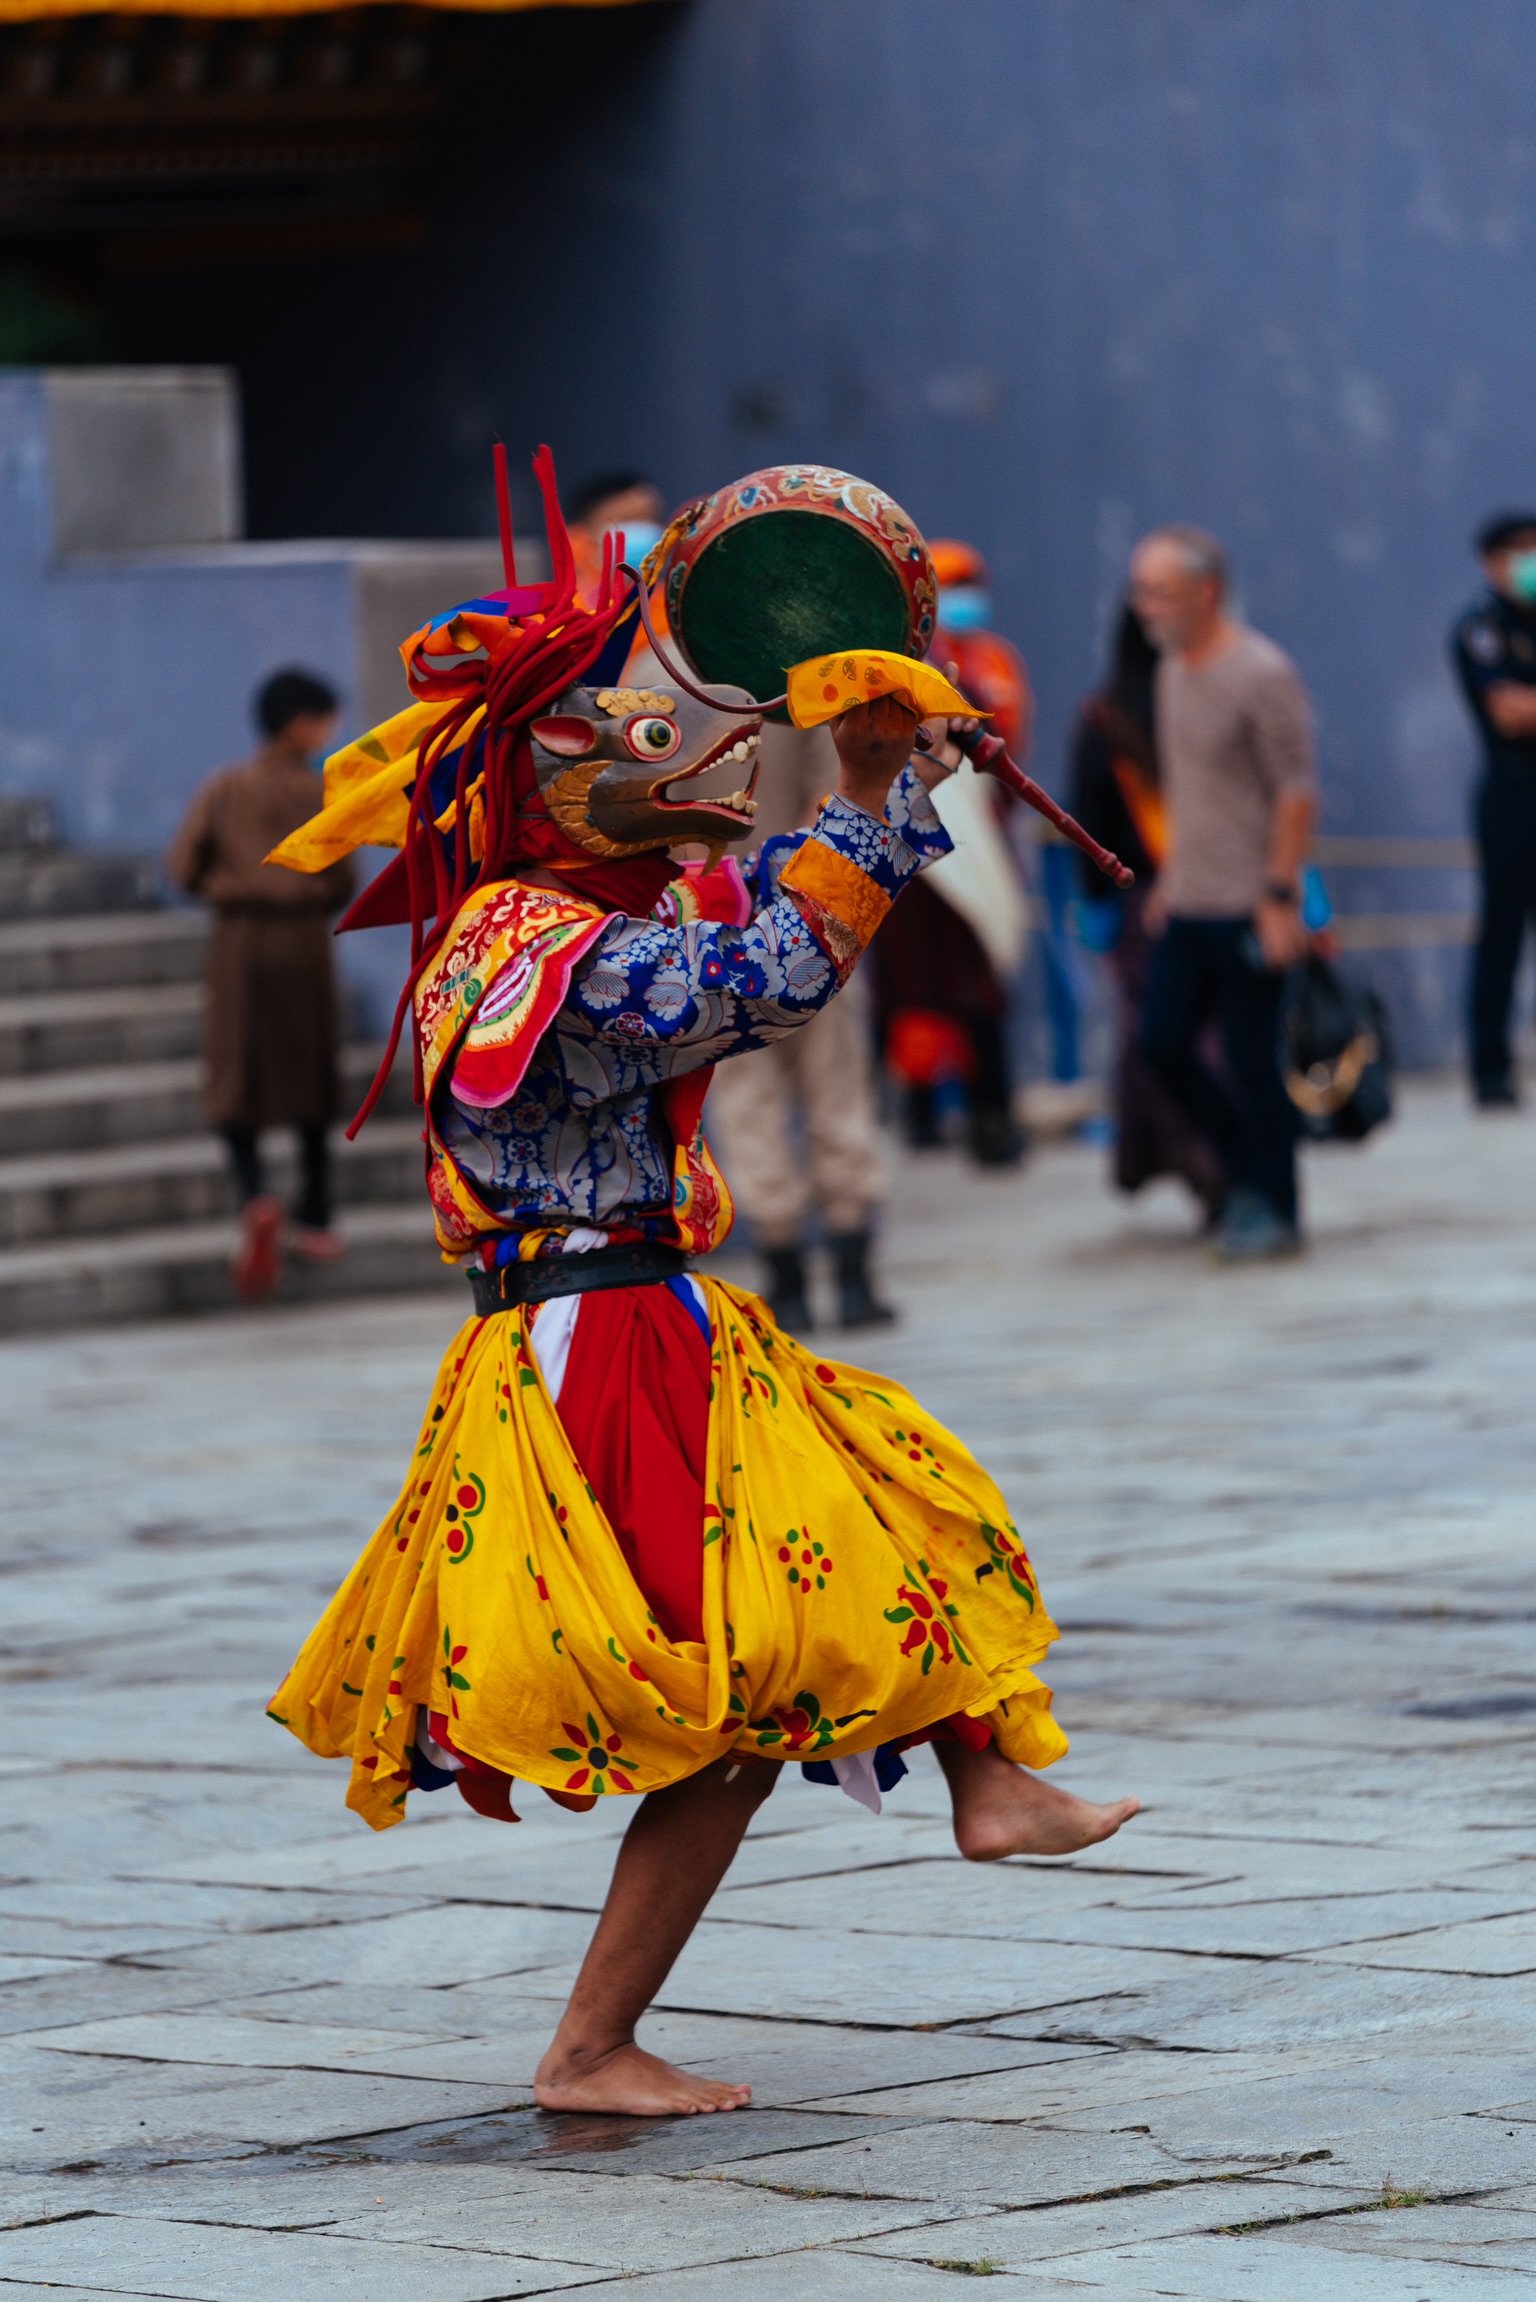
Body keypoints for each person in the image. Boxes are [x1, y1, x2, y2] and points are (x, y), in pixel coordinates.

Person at [267, 451, 1137, 2121]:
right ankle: (595, 2042)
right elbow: (754, 974)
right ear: (543, 777)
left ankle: (987, 1778)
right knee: (743, 1687)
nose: (697, 747)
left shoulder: (571, 906)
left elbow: (748, 908)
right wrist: (879, 798)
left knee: (897, 1504)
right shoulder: (526, 944)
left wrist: (885, 774)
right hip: (590, 1345)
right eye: (642, 733)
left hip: (651, 1319)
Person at [1129, 526, 1317, 1262]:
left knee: (1250, 1059)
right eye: (1139, 592)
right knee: (1162, 1044)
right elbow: (1193, 790)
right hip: (1190, 900)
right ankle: (1247, 1174)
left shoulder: (1262, 671)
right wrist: (1172, 877)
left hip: (1250, 901)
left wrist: (1279, 894)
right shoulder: (1173, 669)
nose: (1145, 608)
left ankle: (1278, 1206)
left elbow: (1297, 792)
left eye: (1160, 593)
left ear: (1205, 593)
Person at [166, 668, 353, 1300]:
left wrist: (232, 888)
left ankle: (254, 1195)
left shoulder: (224, 788)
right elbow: (343, 881)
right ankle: (318, 1216)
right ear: (302, 723)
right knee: (312, 1075)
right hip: (303, 946)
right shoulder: (321, 791)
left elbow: (182, 865)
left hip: (239, 946)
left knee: (234, 1074)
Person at [704, 722, 894, 1333]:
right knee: (833, 1088)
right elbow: (837, 793)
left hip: (712, 930)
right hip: (811, 918)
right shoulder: (803, 684)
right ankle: (851, 1270)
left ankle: (786, 1277)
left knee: (750, 1097)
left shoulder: (654, 679)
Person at [870, 540, 1031, 1166]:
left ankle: (992, 1114)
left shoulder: (993, 661)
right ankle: (919, 1112)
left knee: (976, 976)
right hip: (910, 843)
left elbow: (1010, 744)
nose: (963, 600)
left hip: (978, 833)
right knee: (908, 981)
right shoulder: (894, 665)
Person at [1069, 604, 1227, 1222]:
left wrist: (1100, 905)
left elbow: (1087, 821)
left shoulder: (1104, 717)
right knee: (1212, 1035)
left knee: (1154, 1040)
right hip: (1216, 892)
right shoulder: (1201, 701)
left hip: (1140, 904)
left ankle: (1195, 1163)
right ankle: (1220, 1161)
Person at [1451, 511, 1536, 1107]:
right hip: (1512, 793)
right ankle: (1490, 1070)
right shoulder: (1482, 627)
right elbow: (1509, 710)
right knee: (1502, 933)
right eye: (1524, 553)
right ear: (1494, 562)